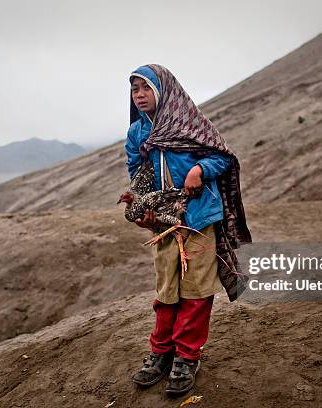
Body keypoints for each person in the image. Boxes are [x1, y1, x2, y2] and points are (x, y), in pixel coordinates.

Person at [124, 64, 252, 396]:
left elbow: (222, 157)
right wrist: (142, 208)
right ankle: (161, 352)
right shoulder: (138, 133)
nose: (139, 94)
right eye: (134, 88)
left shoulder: (190, 124)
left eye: (145, 88)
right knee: (166, 291)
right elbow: (136, 174)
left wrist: (199, 168)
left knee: (195, 292)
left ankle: (186, 356)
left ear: (163, 89)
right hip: (165, 224)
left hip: (197, 220)